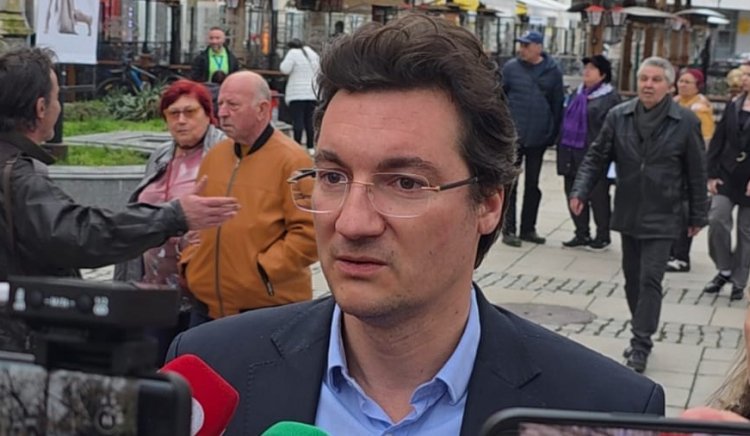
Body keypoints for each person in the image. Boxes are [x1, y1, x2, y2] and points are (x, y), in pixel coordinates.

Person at [167, 17, 664, 436]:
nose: (352, 222)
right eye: (333, 177)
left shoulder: (603, 411)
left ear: (489, 203)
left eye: (405, 183)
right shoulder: (210, 371)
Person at [0, 47, 239, 348]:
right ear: (40, 107)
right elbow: (78, 233)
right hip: (15, 338)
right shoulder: (18, 176)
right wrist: (174, 216)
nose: (181, 121)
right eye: (57, 97)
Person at [570, 56, 708, 373]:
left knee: (649, 279)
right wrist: (580, 190)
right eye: (644, 78)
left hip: (665, 213)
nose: (648, 85)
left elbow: (697, 172)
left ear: (669, 86)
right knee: (632, 280)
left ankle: (641, 342)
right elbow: (596, 157)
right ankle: (640, 326)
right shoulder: (620, 116)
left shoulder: (685, 122)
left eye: (656, 80)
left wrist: (698, 215)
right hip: (629, 210)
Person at [178, 71, 317, 327]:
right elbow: (198, 220)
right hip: (205, 308)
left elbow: (311, 233)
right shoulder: (215, 156)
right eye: (220, 103)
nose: (222, 113)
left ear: (262, 109)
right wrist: (190, 261)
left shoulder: (293, 161)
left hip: (266, 312)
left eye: (233, 105)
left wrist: (262, 270)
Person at [113, 79, 227, 363]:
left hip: (197, 292)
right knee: (148, 366)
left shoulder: (223, 153)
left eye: (190, 112)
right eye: (173, 113)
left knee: (188, 367)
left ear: (208, 114)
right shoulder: (161, 155)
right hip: (150, 289)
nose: (181, 120)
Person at [500, 30, 564, 247]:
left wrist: (552, 133)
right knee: (510, 183)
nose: (522, 49)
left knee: (533, 185)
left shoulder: (553, 71)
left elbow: (557, 104)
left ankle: (528, 228)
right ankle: (509, 229)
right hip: (513, 137)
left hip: (538, 137)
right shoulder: (511, 68)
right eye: (521, 45)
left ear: (538, 47)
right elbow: (499, 98)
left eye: (527, 46)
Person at [557, 55, 620, 250]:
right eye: (586, 68)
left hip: (595, 155)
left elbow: (613, 129)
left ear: (603, 74)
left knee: (598, 196)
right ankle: (581, 232)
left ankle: (602, 235)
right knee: (572, 192)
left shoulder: (610, 97)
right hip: (570, 152)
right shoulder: (576, 94)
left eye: (592, 68)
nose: (586, 71)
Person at [702, 62, 750, 301]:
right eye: (744, 75)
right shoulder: (734, 104)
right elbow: (718, 140)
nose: (744, 79)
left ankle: (739, 281)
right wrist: (711, 173)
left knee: (745, 231)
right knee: (717, 218)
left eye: (748, 75)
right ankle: (724, 268)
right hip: (727, 173)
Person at [666, 68, 716, 273]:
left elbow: (705, 140)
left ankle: (681, 256)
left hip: (689, 165)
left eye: (688, 82)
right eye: (681, 81)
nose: (683, 85)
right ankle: (669, 252)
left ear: (697, 86)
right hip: (672, 164)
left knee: (684, 213)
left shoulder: (700, 107)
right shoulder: (675, 102)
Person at [279, 39, 320, 152]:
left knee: (298, 120)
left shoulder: (293, 53)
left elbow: (284, 69)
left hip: (297, 94)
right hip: (312, 93)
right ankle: (311, 146)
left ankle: (297, 146)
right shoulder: (313, 54)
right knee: (309, 121)